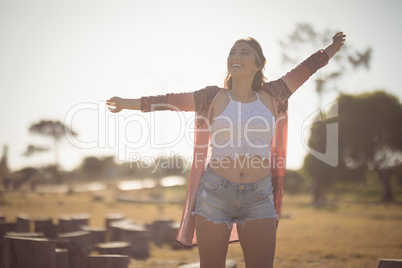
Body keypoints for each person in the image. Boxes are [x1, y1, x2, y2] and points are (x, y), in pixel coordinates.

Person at [107, 32, 346, 268]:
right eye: (232, 51)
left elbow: (306, 69)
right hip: (214, 194)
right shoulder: (211, 97)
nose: (236, 55)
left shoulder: (275, 94)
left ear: (259, 64)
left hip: (259, 196)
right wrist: (125, 104)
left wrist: (333, 47)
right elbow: (168, 101)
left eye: (244, 52)